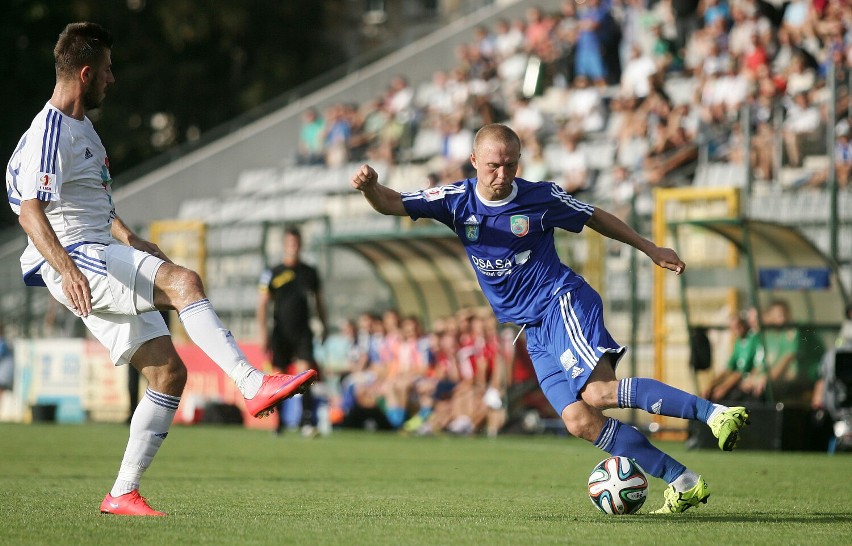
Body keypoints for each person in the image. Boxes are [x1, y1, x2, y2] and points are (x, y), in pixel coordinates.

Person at [350, 123, 749, 514]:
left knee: (598, 393)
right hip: (533, 328)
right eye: (492, 165)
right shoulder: (454, 199)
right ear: (473, 160)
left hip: (561, 302)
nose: (502, 174)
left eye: (510, 165)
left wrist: (648, 248)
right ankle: (683, 481)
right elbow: (393, 202)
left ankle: (714, 414)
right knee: (579, 419)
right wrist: (370, 187)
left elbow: (594, 215)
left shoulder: (540, 198)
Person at [5, 22, 316, 517]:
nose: (113, 78)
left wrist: (130, 238)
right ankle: (252, 384)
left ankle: (122, 492)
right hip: (77, 257)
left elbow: (90, 202)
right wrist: (67, 269)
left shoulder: (81, 126)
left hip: (94, 249)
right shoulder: (50, 130)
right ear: (85, 73)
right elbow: (29, 210)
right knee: (184, 281)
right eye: (107, 70)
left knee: (168, 373)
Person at [257, 227, 328, 436]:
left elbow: (319, 302)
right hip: (280, 332)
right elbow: (262, 305)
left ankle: (307, 421)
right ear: (284, 245)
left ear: (301, 245)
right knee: (278, 377)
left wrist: (324, 324)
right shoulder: (272, 272)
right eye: (290, 244)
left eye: (296, 244)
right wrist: (263, 333)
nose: (293, 247)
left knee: (305, 376)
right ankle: (278, 423)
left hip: (303, 331)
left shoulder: (310, 272)